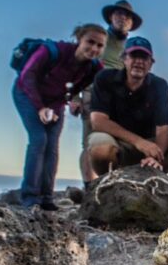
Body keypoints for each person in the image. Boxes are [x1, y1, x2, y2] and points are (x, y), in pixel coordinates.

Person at [13, 24, 106, 210]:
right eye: (90, 42)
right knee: (39, 140)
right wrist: (40, 107)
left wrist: (65, 101)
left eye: (99, 45)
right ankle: (30, 197)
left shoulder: (94, 67)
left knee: (52, 146)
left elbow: (81, 85)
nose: (94, 48)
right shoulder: (52, 51)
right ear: (79, 39)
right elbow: (27, 76)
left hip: (55, 102)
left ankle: (47, 197)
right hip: (27, 94)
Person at [87, 36, 168, 175]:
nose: (139, 62)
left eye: (144, 58)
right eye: (133, 56)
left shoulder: (160, 85)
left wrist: (155, 157)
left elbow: (163, 127)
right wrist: (139, 142)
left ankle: (150, 174)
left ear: (151, 63)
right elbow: (98, 121)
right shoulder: (104, 78)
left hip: (148, 147)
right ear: (124, 59)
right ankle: (110, 181)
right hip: (115, 142)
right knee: (101, 150)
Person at [76, 0, 143, 183]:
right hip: (93, 93)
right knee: (90, 141)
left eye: (127, 16)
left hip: (120, 99)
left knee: (118, 142)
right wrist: (74, 96)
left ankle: (113, 184)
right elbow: (80, 62)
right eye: (119, 14)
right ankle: (88, 186)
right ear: (111, 17)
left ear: (131, 23)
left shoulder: (131, 46)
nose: (123, 18)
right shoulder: (99, 38)